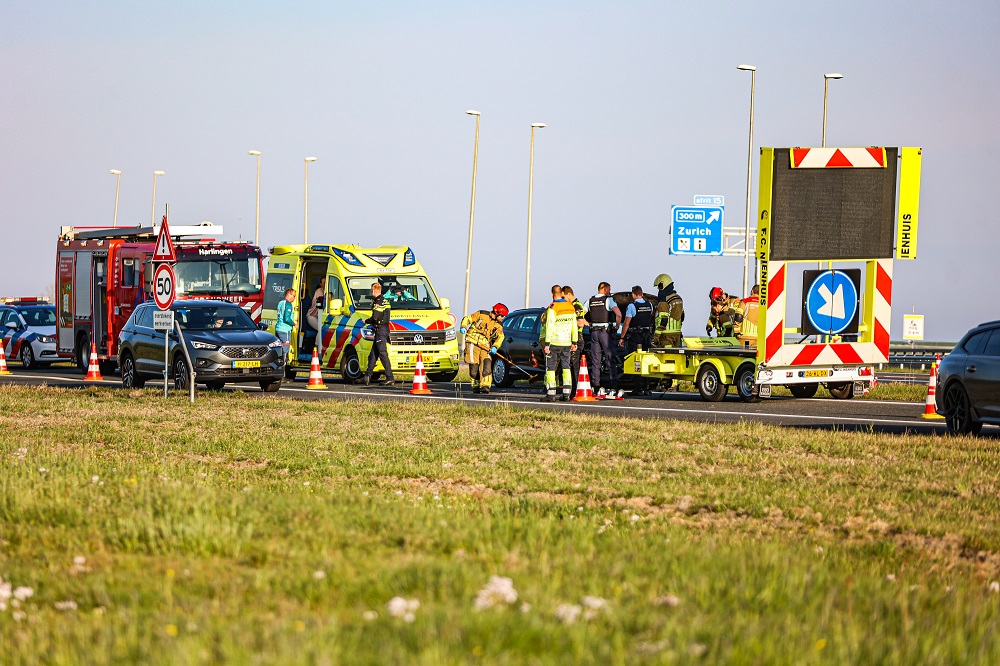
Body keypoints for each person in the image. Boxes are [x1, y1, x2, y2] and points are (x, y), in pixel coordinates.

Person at [586, 281, 624, 400]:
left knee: (596, 360)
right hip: (605, 333)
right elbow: (619, 314)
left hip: (594, 332)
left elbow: (580, 314)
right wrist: (617, 326)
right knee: (610, 358)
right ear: (604, 288)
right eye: (609, 289)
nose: (610, 291)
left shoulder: (590, 300)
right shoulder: (608, 300)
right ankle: (613, 386)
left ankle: (596, 387)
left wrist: (589, 324)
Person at [460, 303, 508, 394]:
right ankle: (476, 385)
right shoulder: (481, 314)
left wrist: (495, 347)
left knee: (486, 366)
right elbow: (467, 319)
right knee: (473, 369)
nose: (502, 318)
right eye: (502, 316)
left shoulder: (499, 326)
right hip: (472, 343)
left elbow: (500, 337)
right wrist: (463, 326)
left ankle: (485, 386)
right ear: (497, 313)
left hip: (485, 346)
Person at [541, 285, 578, 402]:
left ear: (552, 294)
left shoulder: (553, 307)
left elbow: (549, 326)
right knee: (566, 367)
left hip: (554, 342)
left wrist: (547, 344)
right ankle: (567, 394)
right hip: (567, 342)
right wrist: (574, 341)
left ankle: (551, 394)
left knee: (551, 368)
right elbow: (574, 326)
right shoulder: (570, 306)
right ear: (562, 293)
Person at [619, 285, 653, 395]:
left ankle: (638, 388)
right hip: (647, 336)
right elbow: (650, 319)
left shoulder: (632, 306)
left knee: (636, 361)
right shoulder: (650, 305)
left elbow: (626, 324)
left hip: (636, 336)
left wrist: (622, 337)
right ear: (642, 294)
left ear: (633, 294)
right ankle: (647, 388)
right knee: (647, 361)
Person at [362, 282, 395, 386]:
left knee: (382, 354)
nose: (372, 292)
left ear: (375, 291)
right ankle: (367, 376)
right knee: (373, 354)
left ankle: (390, 378)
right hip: (383, 329)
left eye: (373, 291)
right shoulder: (385, 300)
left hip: (381, 330)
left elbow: (375, 317)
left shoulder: (379, 302)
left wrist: (366, 321)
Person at [562, 286, 587, 398]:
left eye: (563, 297)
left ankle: (575, 391)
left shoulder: (577, 306)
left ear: (569, 294)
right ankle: (571, 390)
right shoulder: (569, 306)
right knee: (569, 365)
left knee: (574, 366)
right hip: (570, 338)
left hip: (576, 337)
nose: (563, 299)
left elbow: (580, 322)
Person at [652, 273, 684, 348]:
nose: (658, 290)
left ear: (663, 285)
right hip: (677, 335)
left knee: (667, 358)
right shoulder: (678, 298)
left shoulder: (664, 301)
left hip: (666, 336)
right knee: (676, 357)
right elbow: (682, 316)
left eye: (659, 287)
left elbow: (664, 320)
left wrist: (656, 336)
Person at [275, 288, 296, 365]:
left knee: (279, 348)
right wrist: (294, 324)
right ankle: (283, 366)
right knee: (285, 348)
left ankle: (278, 364)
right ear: (289, 295)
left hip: (278, 328)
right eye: (293, 296)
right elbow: (287, 318)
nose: (294, 298)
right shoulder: (288, 304)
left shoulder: (280, 303)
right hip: (285, 329)